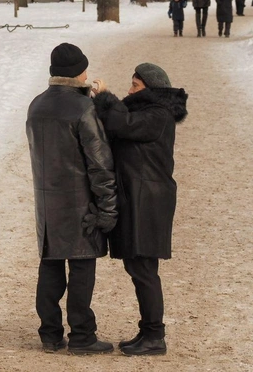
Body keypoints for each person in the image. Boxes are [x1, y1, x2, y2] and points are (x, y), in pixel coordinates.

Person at [26, 43, 118, 355]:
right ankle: (82, 336)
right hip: (80, 204)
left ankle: (50, 333)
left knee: (50, 268)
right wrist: (108, 207)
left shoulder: (36, 105)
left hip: (47, 205)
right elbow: (100, 163)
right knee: (81, 268)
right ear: (77, 73)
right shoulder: (83, 108)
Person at [90, 63, 188, 356]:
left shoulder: (157, 114)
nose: (130, 90)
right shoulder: (151, 111)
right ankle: (148, 331)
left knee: (144, 269)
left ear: (151, 88)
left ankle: (155, 336)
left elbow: (122, 125)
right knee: (139, 267)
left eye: (135, 85)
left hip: (148, 200)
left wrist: (106, 96)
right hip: (143, 197)